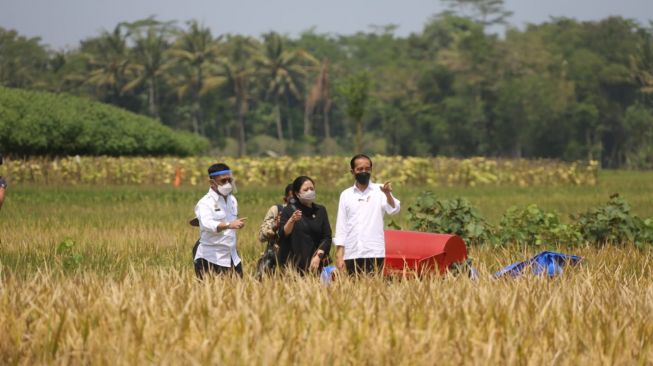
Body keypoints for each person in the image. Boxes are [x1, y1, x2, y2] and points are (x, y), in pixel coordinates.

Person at [334, 154, 400, 275]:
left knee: (374, 290)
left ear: (371, 170)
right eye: (360, 169)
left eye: (367, 169)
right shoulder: (346, 195)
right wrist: (339, 255)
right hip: (352, 252)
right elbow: (341, 226)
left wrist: (388, 194)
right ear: (352, 171)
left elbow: (394, 209)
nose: (364, 172)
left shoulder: (380, 190)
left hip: (374, 251)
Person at [193, 163, 247, 279]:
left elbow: (231, 221)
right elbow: (207, 224)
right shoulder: (205, 203)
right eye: (223, 181)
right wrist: (229, 225)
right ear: (212, 182)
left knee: (239, 293)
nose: (227, 184)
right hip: (211, 258)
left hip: (232, 256)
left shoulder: (232, 200)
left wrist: (235, 224)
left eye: (229, 180)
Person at [278, 176, 332, 274]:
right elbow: (283, 235)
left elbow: (327, 237)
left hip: (316, 264)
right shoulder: (289, 210)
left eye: (312, 189)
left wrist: (318, 256)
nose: (309, 192)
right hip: (294, 265)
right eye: (305, 190)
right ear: (297, 193)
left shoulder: (320, 210)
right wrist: (292, 220)